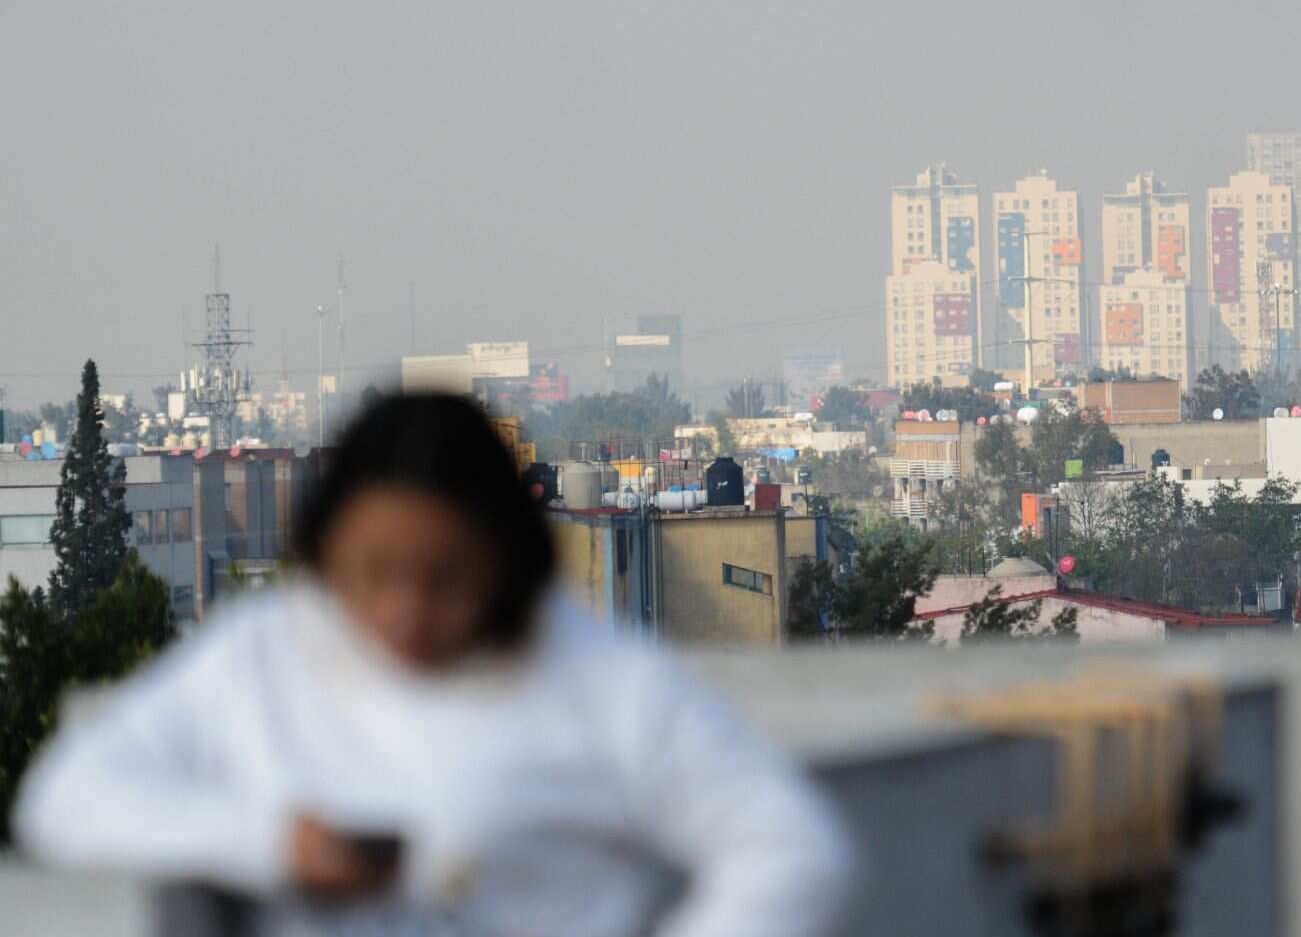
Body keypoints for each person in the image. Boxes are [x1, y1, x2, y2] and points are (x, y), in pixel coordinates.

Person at [14, 394, 858, 936]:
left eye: (446, 578)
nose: (406, 611)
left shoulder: (594, 677)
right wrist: (273, 843)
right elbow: (69, 798)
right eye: (373, 575)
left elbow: (791, 851)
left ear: (505, 557)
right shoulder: (264, 654)